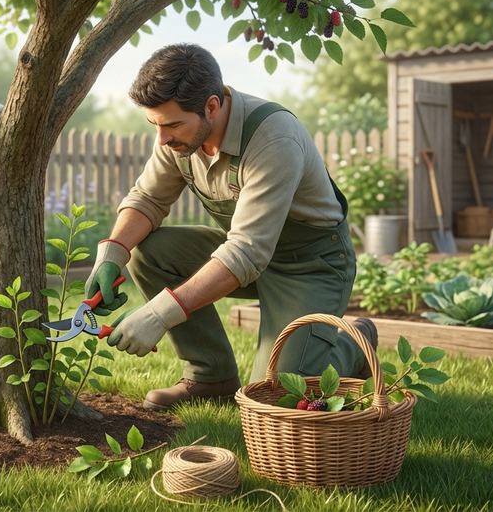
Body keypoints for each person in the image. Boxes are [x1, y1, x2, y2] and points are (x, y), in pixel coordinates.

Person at [85, 43, 377, 411]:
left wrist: (160, 313)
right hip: (250, 253)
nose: (162, 138)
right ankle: (211, 377)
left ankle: (354, 343)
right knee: (151, 251)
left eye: (172, 124)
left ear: (211, 105)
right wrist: (111, 255)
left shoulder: (274, 137)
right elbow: (148, 199)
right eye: (154, 124)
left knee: (276, 397)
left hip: (310, 266)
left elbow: (246, 252)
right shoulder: (179, 137)